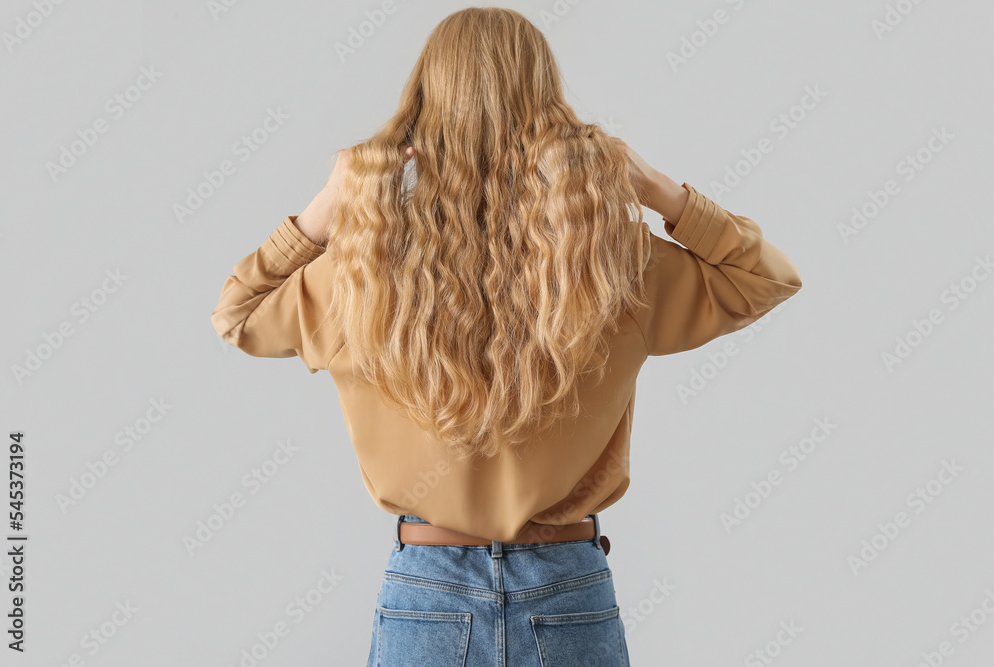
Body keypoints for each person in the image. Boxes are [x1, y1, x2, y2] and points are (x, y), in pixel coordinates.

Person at [211, 7, 802, 666]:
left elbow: (236, 314)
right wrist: (655, 188)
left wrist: (322, 213)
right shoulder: (611, 268)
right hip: (567, 588)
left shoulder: (361, 274)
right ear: (546, 107)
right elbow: (765, 278)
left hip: (428, 594)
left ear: (422, 105)